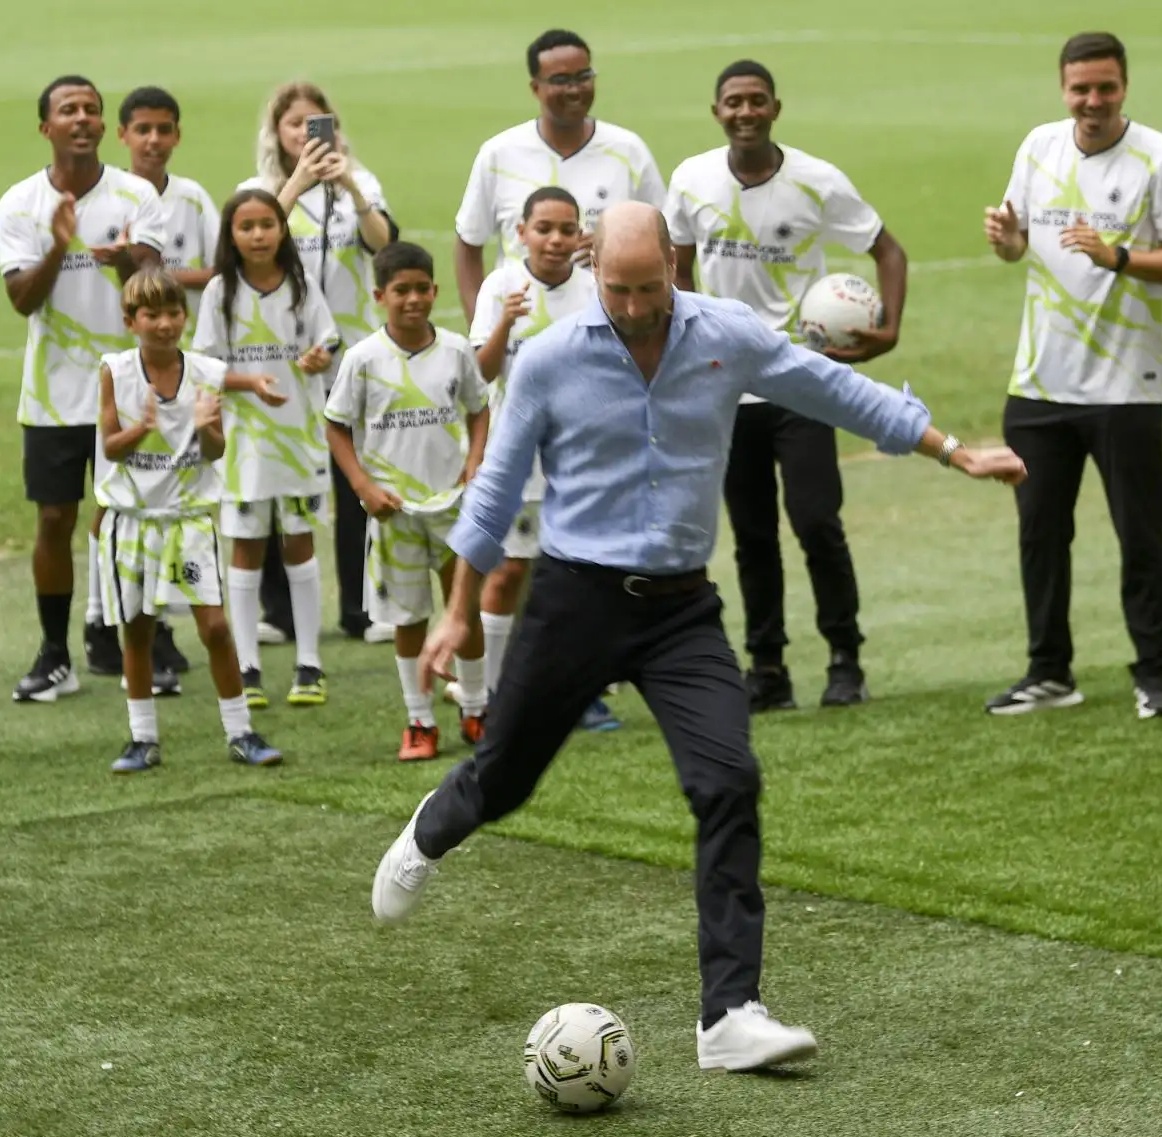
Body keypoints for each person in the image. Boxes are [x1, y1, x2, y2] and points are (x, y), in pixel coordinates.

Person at [368, 203, 1026, 1072]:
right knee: (508, 779)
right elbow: (495, 488)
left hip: (680, 610)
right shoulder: (550, 360)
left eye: (651, 288)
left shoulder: (729, 334)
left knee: (728, 781)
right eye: (618, 289)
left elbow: (830, 387)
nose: (637, 307)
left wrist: (952, 449)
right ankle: (431, 830)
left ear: (673, 269)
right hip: (575, 599)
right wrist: (457, 612)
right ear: (593, 269)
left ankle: (729, 1015)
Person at [667, 59, 907, 712]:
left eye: (757, 101)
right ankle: (767, 669)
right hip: (725, 386)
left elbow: (888, 250)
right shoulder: (691, 180)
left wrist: (887, 331)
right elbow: (677, 270)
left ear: (776, 108)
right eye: (733, 102)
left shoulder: (816, 181)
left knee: (816, 520)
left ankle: (844, 658)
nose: (745, 112)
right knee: (751, 535)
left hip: (801, 381)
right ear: (717, 112)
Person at [982, 31, 1162, 719]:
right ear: (1063, 88)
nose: (1092, 101)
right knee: (1039, 533)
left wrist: (1118, 258)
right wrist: (1010, 243)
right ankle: (1050, 673)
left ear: (1125, 87)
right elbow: (1023, 245)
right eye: (1081, 88)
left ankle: (1154, 679)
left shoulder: (1161, 159)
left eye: (1105, 88)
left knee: (1140, 534)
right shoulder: (1038, 146)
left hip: (1123, 388)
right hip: (1039, 383)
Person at [0, 75, 165, 703]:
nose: (84, 118)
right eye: (69, 110)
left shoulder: (136, 193)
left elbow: (152, 282)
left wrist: (121, 259)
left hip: (127, 387)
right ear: (46, 127)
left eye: (92, 109)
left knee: (135, 516)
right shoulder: (18, 203)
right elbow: (22, 300)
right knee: (54, 517)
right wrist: (58, 246)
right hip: (51, 392)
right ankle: (53, 653)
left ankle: (136, 646)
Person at [95, 268, 288, 771]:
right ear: (130, 321)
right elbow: (111, 449)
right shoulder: (115, 370)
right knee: (137, 630)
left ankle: (242, 732)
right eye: (152, 315)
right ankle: (142, 738)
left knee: (216, 627)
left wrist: (206, 429)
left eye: (174, 313)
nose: (165, 324)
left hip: (188, 520)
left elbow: (216, 449)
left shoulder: (203, 371)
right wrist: (141, 428)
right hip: (132, 521)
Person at [242, 81, 398, 644]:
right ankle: (277, 611)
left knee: (356, 481)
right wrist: (295, 185)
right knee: (279, 480)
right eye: (294, 125)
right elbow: (252, 244)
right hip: (281, 358)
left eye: (316, 122)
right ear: (276, 133)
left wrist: (351, 187)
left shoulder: (360, 181)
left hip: (350, 355)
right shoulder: (257, 190)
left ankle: (361, 607)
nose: (305, 134)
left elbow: (385, 245)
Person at [324, 242, 490, 763]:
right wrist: (363, 488)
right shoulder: (363, 359)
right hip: (393, 511)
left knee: (463, 607)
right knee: (408, 617)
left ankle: (478, 709)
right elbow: (335, 425)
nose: (413, 299)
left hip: (453, 506)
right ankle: (419, 721)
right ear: (380, 296)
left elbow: (479, 409)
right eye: (402, 291)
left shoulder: (457, 350)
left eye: (422, 289)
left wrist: (476, 461)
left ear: (435, 291)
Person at [80, 85, 222, 681]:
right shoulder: (111, 193)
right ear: (124, 135)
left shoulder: (190, 198)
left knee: (162, 488)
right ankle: (100, 617)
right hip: (108, 363)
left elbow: (219, 269)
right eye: (143, 130)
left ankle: (153, 627)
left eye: (166, 130)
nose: (155, 141)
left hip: (170, 360)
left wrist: (152, 272)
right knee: (111, 497)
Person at [194, 189, 339, 709]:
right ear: (231, 236)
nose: (258, 235)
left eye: (267, 225)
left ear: (282, 230)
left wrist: (321, 359)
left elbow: (329, 341)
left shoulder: (302, 286)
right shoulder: (219, 292)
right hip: (245, 443)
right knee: (246, 544)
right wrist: (250, 383)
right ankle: (247, 665)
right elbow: (206, 366)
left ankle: (309, 663)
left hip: (298, 436)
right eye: (246, 226)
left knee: (299, 538)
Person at [464, 186, 597, 708]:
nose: (556, 240)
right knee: (510, 572)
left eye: (568, 229)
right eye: (544, 229)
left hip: (579, 458)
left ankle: (578, 690)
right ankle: (492, 693)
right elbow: (480, 373)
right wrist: (503, 324)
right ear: (521, 233)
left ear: (580, 235)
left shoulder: (594, 290)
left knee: (578, 575)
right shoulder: (500, 285)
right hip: (517, 458)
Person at [453, 28, 666, 327]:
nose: (575, 89)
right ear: (535, 88)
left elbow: (662, 237)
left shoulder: (628, 150)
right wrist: (482, 327)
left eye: (584, 76)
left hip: (610, 329)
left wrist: (612, 245)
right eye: (560, 80)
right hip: (524, 334)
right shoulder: (499, 154)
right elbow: (468, 244)